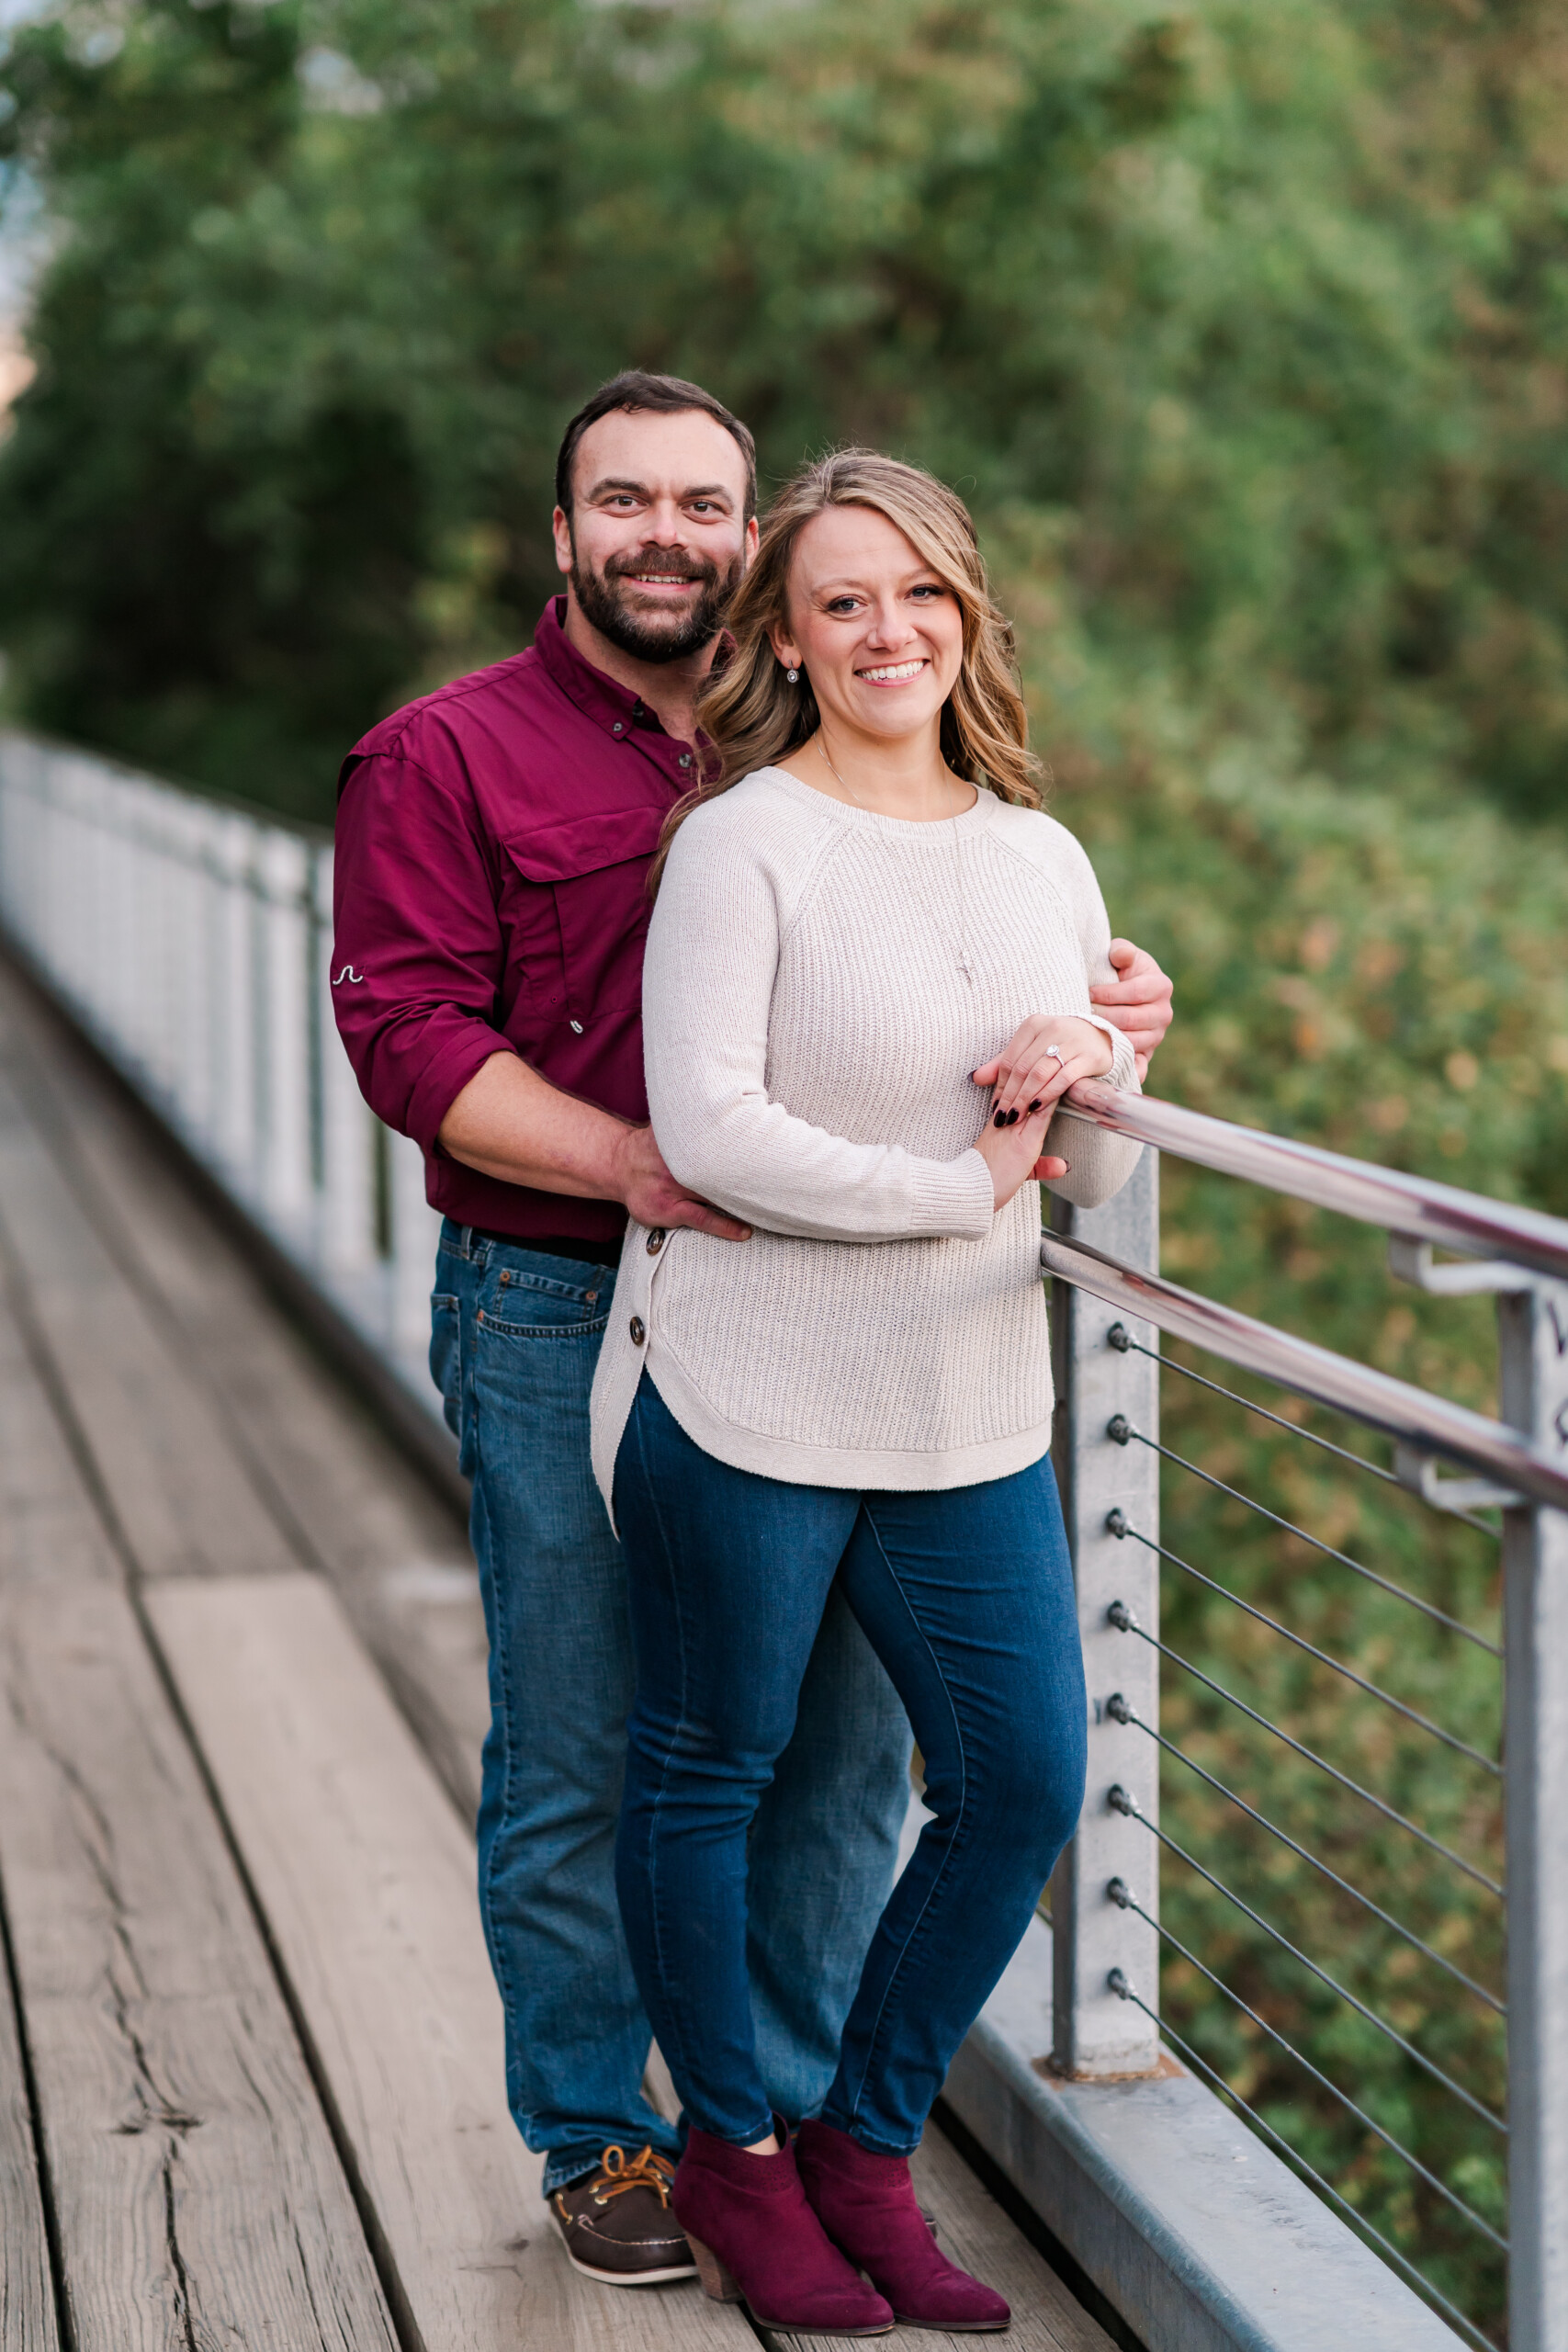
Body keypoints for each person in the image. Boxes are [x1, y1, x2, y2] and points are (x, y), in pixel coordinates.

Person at [332, 374, 1175, 2290]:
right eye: (620, 500)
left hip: (905, 1351)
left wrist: (1104, 1040)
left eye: (702, 504)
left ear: (743, 551)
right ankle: (610, 2128)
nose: (665, 532)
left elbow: (1020, 1068)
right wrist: (643, 1159)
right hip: (572, 1292)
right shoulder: (447, 756)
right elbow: (408, 1037)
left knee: (859, 1762)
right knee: (591, 1741)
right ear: (563, 536)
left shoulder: (845, 777)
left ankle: (796, 2119)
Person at [592, 449, 1145, 2337]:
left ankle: (861, 2143)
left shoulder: (1038, 854)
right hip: (742, 1390)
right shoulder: (742, 840)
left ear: (965, 610)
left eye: (914, 590)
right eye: (842, 599)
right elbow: (710, 1127)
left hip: (960, 1404)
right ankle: (732, 2158)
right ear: (788, 636)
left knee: (1018, 1776)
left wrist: (1105, 1055)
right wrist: (949, 1188)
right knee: (712, 1765)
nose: (884, 627)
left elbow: (1093, 1174)